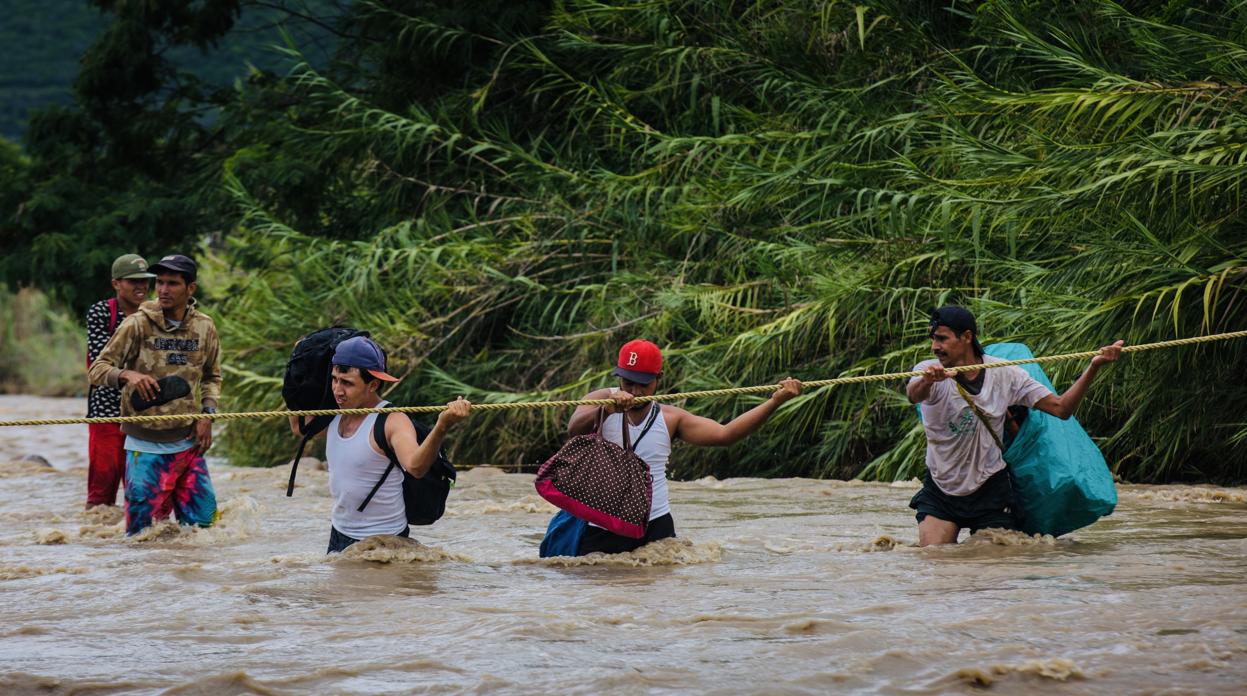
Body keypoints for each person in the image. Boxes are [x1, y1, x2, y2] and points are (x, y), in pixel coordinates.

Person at [906, 305, 1122, 546]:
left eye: (942, 339)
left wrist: (1093, 367)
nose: (935, 347)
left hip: (990, 490)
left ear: (967, 337)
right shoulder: (927, 372)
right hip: (941, 490)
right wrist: (927, 380)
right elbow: (914, 395)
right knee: (934, 559)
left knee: (996, 571)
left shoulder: (1003, 372)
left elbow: (1061, 409)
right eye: (933, 339)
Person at [565, 339, 802, 555]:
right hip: (600, 525)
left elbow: (725, 434)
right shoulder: (599, 399)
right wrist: (606, 409)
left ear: (659, 379)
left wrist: (774, 402)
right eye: (628, 383)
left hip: (655, 526)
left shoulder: (670, 418)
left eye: (643, 385)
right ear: (619, 377)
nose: (635, 392)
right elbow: (574, 430)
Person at [287, 335, 471, 553]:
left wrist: (442, 425)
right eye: (334, 379)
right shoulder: (334, 413)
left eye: (347, 383)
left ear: (373, 384)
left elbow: (416, 467)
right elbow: (300, 427)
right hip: (338, 533)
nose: (337, 390)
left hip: (384, 542)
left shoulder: (392, 421)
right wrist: (298, 365)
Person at [87, 254, 222, 535]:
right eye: (159, 282)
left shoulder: (204, 326)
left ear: (191, 289)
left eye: (172, 283)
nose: (162, 289)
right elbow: (97, 370)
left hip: (189, 443)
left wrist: (208, 414)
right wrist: (127, 375)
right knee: (140, 537)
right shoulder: (137, 324)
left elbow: (212, 376)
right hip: (143, 447)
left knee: (205, 530)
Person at [85, 254, 156, 508]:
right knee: (102, 488)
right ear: (116, 284)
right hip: (107, 409)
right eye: (132, 281)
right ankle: (98, 538)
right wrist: (130, 374)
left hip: (145, 409)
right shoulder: (102, 312)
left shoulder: (157, 313)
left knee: (143, 491)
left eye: (144, 281)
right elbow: (98, 362)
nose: (140, 287)